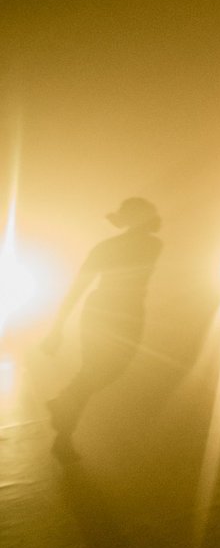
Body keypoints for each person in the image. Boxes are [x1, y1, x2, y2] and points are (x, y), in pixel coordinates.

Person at [43, 197, 164, 462]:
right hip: (119, 313)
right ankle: (63, 434)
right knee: (98, 371)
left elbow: (77, 289)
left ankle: (64, 406)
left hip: (113, 311)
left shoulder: (112, 247)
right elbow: (78, 287)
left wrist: (57, 328)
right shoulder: (150, 244)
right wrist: (56, 328)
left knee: (100, 371)